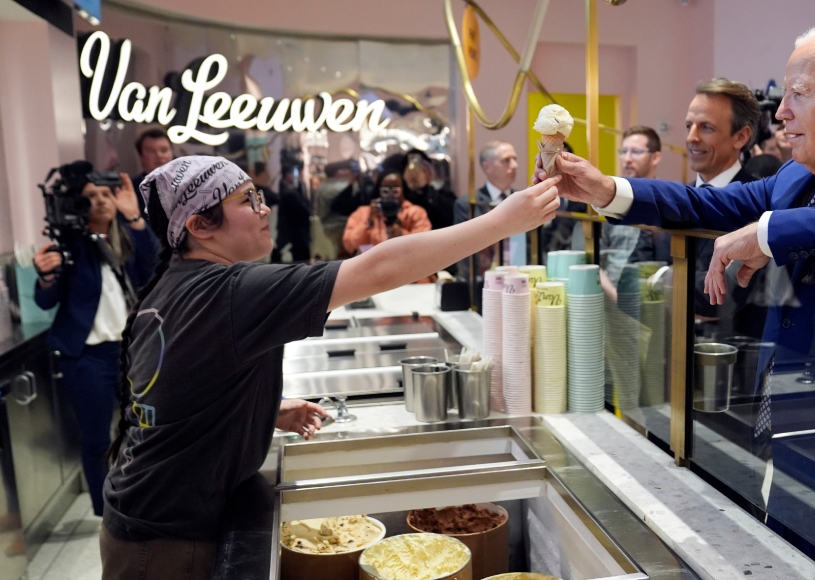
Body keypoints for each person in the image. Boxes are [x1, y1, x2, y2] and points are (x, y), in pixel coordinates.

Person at [536, 22, 815, 579]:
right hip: (792, 428)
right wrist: (606, 190)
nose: (781, 112)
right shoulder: (794, 179)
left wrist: (772, 232)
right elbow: (703, 207)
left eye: (799, 94)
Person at [98, 156, 560, 579]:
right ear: (200, 224)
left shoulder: (176, 285)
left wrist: (265, 408)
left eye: (259, 196)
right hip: (163, 541)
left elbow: (176, 386)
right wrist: (503, 221)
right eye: (247, 200)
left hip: (142, 513)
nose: (264, 210)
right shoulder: (230, 291)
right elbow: (375, 269)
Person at [31, 162, 157, 518]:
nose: (101, 202)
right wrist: (44, 277)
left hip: (132, 353)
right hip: (86, 358)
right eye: (91, 196)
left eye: (106, 194)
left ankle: (141, 498)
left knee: (143, 431)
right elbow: (45, 300)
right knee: (97, 439)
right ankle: (106, 514)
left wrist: (135, 219)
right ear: (77, 204)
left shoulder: (127, 240)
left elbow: (155, 269)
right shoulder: (68, 245)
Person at [601, 126, 663, 297]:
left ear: (655, 157)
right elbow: (596, 258)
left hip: (652, 298)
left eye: (635, 152)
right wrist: (616, 296)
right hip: (611, 295)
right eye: (623, 151)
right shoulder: (611, 201)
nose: (627, 159)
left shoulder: (666, 201)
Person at [455, 141, 519, 280]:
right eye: (506, 160)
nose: (514, 166)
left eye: (515, 159)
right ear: (487, 167)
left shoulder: (523, 201)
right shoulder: (468, 204)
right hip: (480, 282)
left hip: (520, 278)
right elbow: (462, 249)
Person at [342, 169, 432, 254]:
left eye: (396, 191)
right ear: (379, 191)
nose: (390, 195)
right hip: (372, 265)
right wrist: (368, 222)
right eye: (385, 191)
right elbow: (349, 245)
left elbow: (424, 246)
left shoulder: (416, 213)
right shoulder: (363, 212)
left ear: (403, 191)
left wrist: (402, 235)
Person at [313, 160, 362, 260]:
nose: (350, 171)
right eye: (347, 169)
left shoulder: (324, 186)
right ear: (340, 172)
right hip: (338, 226)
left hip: (328, 225)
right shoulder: (337, 187)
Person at [271, 148, 311, 263]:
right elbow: (304, 211)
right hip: (295, 236)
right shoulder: (289, 193)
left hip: (292, 235)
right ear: (288, 175)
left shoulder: (286, 189)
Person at [403, 149, 455, 231]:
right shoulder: (401, 200)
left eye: (422, 170)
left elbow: (448, 220)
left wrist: (426, 191)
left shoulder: (444, 197)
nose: (415, 174)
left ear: (430, 172)